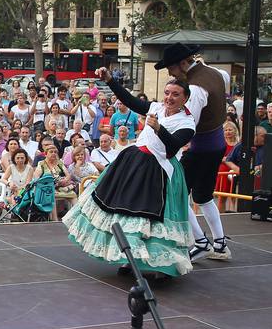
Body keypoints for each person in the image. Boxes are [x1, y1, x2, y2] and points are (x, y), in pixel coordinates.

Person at [64, 74, 197, 278]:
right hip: (134, 162)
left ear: (185, 98)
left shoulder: (187, 122)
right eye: (167, 93)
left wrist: (159, 128)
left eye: (175, 94)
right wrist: (110, 80)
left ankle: (161, 266)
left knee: (153, 216)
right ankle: (128, 257)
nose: (169, 98)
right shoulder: (156, 108)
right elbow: (130, 100)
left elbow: (172, 147)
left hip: (159, 170)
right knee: (124, 210)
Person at [153, 43, 233, 263]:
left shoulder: (196, 89)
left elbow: (188, 125)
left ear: (182, 63)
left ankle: (201, 243)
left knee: (176, 193)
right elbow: (225, 81)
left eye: (171, 68)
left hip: (200, 148)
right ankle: (220, 244)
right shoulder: (216, 73)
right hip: (216, 144)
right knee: (204, 196)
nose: (170, 73)